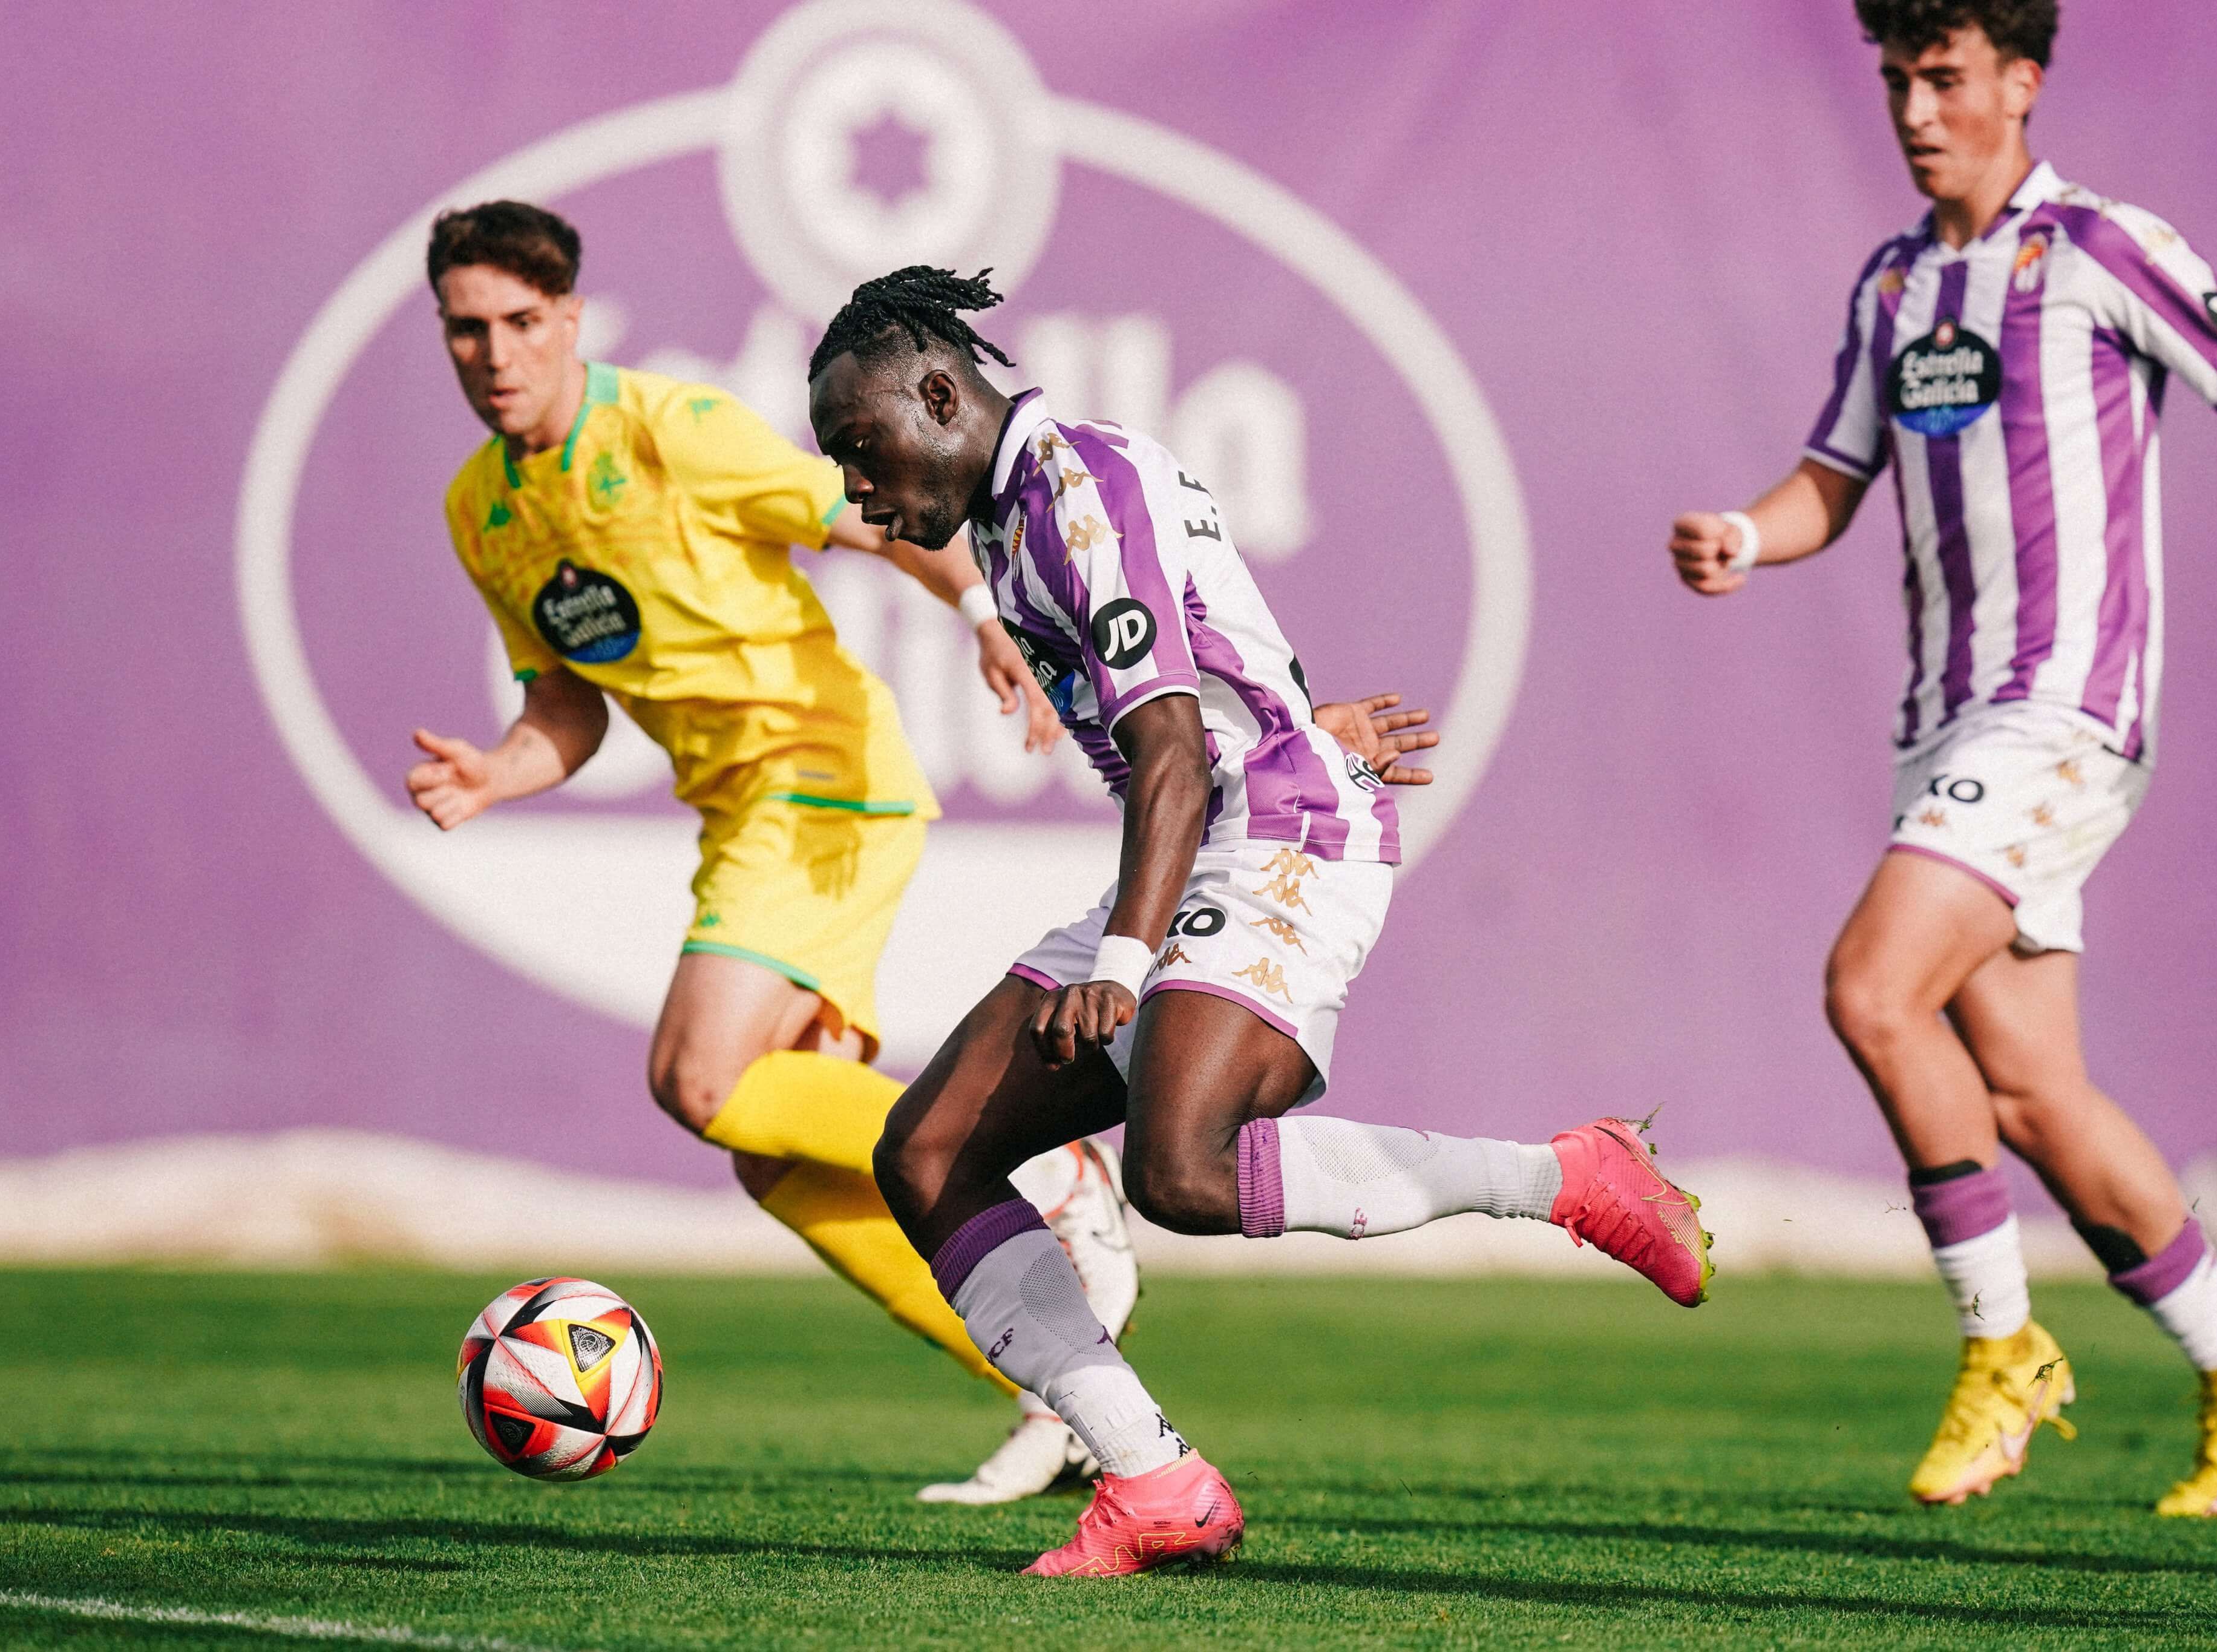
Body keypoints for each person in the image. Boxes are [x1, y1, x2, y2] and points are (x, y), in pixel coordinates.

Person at [807, 267, 1715, 1578]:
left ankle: (1568, 1177)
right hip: (1218, 825)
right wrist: (1288, 715)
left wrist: (1125, 961)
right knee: (928, 1151)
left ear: (940, 396)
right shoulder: (1019, 509)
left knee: (1179, 1169)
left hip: (1274, 832)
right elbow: (1207, 668)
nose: (857, 490)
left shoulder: (1071, 492)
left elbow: (1171, 753)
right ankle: (1151, 1479)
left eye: (861, 445)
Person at [1666, 0, 2217, 1516]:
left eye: (1945, 79)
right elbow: (1830, 478)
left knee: (1870, 989)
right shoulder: (1894, 282)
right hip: (1943, 723)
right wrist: (1742, 537)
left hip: (2064, 711)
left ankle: (2002, 1348)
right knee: (2031, 1096)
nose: (1916, 111)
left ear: (2020, 83)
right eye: (1897, 81)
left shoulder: (2098, 247)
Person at [405, 200, 1139, 1503]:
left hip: (819, 781)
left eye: (521, 321)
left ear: (570, 319)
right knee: (775, 1159)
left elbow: (874, 515)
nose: (496, 353)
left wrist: (984, 613)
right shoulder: (481, 510)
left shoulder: (669, 432)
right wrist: (497, 771)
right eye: (468, 329)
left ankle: (1045, 1163)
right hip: (743, 814)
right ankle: (1062, 1387)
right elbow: (567, 708)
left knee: (698, 1078)